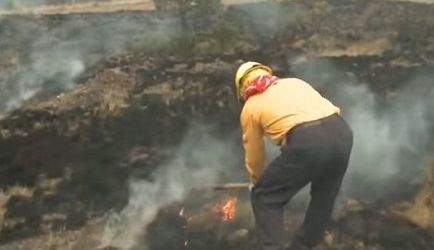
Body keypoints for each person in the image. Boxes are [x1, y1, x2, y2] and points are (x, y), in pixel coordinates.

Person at [234, 61, 353, 250]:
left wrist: (257, 182)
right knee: (324, 195)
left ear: (242, 87)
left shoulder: (250, 107)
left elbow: (255, 154)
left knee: (265, 197)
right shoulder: (295, 83)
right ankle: (303, 246)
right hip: (342, 132)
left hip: (309, 141)